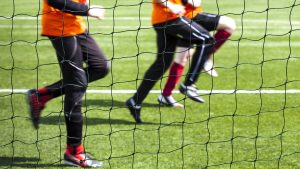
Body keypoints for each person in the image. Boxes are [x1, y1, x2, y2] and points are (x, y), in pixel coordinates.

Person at [26, 0, 109, 167]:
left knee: (101, 66)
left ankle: (42, 95)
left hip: (76, 25)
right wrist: (88, 10)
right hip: (60, 28)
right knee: (76, 85)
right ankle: (73, 152)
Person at [125, 0, 215, 123]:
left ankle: (135, 101)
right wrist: (170, 5)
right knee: (206, 39)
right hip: (170, 18)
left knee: (162, 63)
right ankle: (188, 84)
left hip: (162, 20)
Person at [158, 0, 236, 108]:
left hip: (183, 19)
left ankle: (166, 95)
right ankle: (204, 59)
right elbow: (195, 3)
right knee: (229, 24)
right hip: (188, 18)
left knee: (183, 57)